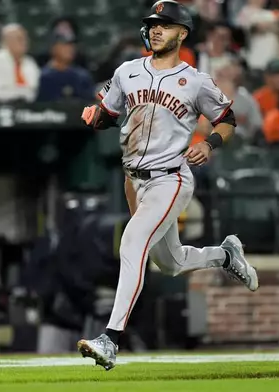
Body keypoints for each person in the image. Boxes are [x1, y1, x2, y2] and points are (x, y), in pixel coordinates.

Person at [78, 0, 258, 371]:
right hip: (134, 180)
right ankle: (226, 255)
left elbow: (227, 119)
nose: (156, 29)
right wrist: (95, 117)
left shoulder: (196, 81)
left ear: (182, 33)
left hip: (171, 178)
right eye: (153, 24)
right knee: (171, 263)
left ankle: (111, 339)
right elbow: (109, 115)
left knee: (132, 241)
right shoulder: (127, 71)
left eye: (165, 24)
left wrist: (209, 143)